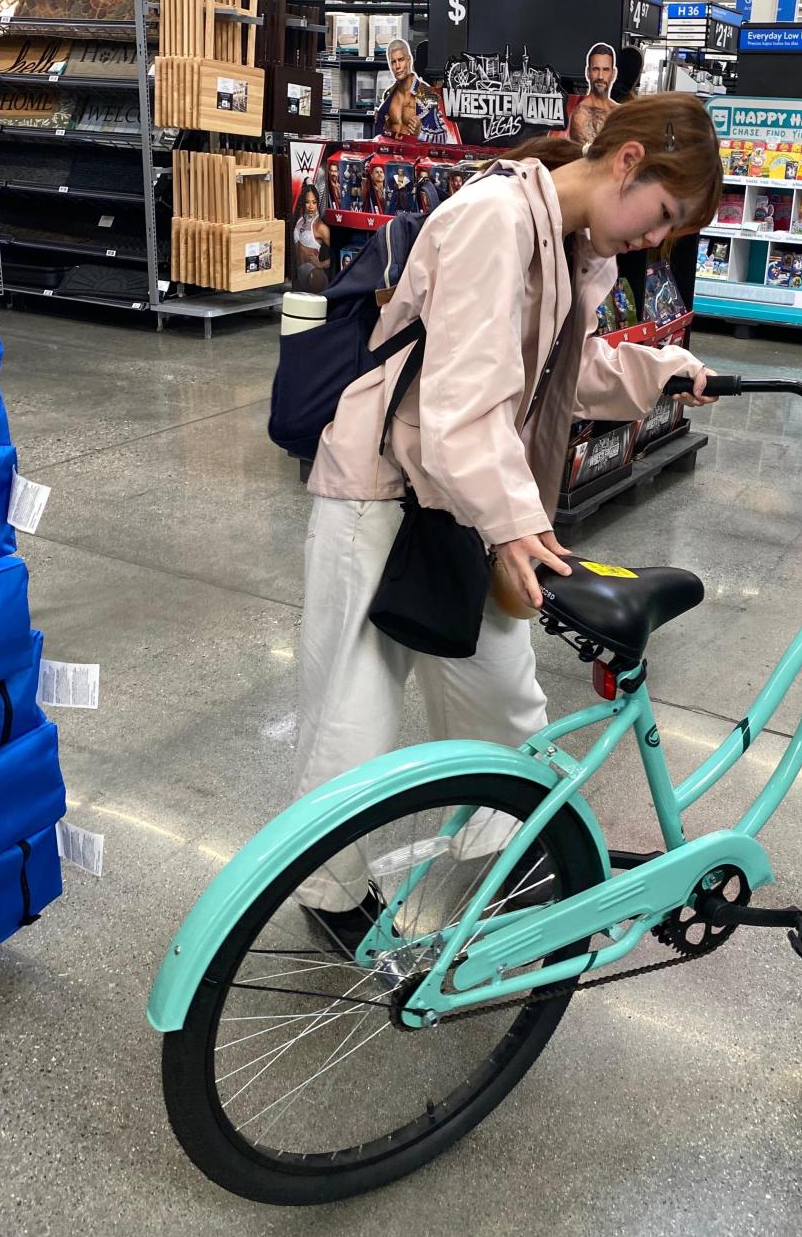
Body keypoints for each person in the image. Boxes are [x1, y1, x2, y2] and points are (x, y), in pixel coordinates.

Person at [293, 92, 723, 936]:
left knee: (509, 713)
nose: (655, 240)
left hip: (460, 505)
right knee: (353, 714)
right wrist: (520, 526)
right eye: (663, 214)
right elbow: (460, 412)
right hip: (381, 491)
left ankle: (492, 875)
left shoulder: (566, 244)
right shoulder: (495, 218)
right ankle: (330, 898)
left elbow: (559, 366)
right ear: (628, 162)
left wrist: (660, 369)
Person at [373, 38, 450, 141]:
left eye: (401, 60)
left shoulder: (427, 94)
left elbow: (443, 137)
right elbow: (381, 133)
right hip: (391, 154)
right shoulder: (388, 94)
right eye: (393, 62)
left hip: (413, 155)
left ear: (409, 60)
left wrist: (420, 133)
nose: (397, 66)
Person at [567, 43, 618, 143]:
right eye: (596, 69)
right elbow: (590, 155)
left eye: (606, 70)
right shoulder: (582, 113)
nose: (600, 76)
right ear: (588, 72)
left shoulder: (619, 110)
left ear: (613, 74)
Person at [291, 183, 330, 292]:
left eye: (314, 202)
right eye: (307, 202)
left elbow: (338, 252)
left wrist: (321, 264)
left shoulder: (320, 227)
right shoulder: (300, 220)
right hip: (299, 274)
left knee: (315, 308)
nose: (311, 206)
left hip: (314, 273)